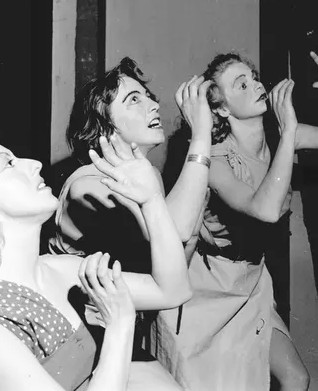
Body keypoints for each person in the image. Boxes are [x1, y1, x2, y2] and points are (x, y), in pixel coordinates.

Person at [156, 42, 318, 391]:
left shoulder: (282, 137)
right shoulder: (215, 158)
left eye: (254, 77)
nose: (257, 85)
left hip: (251, 281)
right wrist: (289, 132)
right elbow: (266, 210)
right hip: (205, 289)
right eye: (241, 84)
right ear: (222, 109)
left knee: (297, 378)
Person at [0, 118, 192, 391]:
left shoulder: (58, 268)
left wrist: (152, 200)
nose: (34, 164)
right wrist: (120, 324)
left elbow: (172, 291)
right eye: (8, 164)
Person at [49, 57, 212, 381]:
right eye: (133, 99)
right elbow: (175, 232)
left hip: (117, 331)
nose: (153, 104)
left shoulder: (147, 177)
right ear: (104, 126)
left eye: (148, 96)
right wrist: (201, 136)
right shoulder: (87, 185)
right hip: (73, 345)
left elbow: (172, 264)